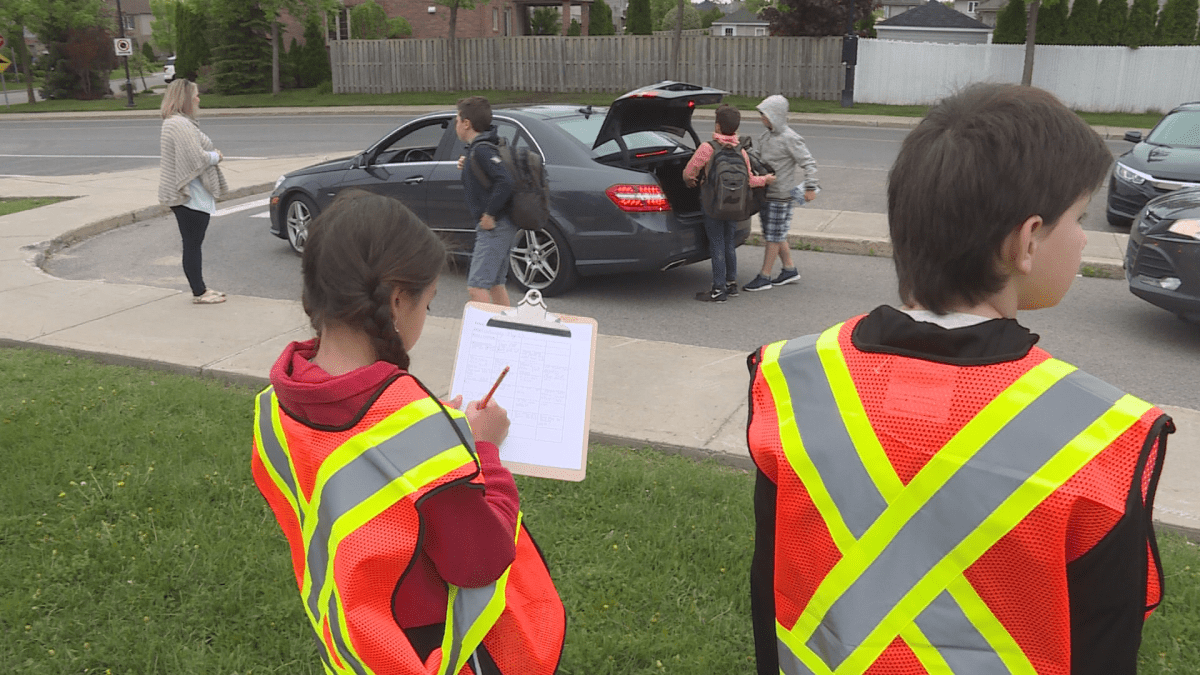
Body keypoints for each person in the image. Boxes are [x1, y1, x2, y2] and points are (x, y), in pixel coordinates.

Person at [746, 83, 1174, 675]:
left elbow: (771, 594)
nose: (1082, 237)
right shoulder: (1106, 439)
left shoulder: (791, 382)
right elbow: (1106, 644)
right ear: (1026, 242)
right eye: (1078, 217)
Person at [251, 189, 565, 674]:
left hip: (351, 635)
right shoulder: (413, 425)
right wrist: (481, 448)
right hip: (421, 650)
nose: (426, 316)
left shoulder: (277, 405)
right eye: (429, 303)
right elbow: (482, 559)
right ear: (397, 301)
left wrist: (421, 424)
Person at [683, 104, 775, 303]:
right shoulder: (741, 150)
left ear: (717, 126)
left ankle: (718, 289)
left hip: (712, 205)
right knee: (729, 244)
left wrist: (691, 181)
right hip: (735, 205)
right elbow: (750, 180)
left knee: (716, 244)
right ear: (737, 128)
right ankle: (731, 284)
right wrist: (765, 180)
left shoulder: (707, 148)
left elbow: (689, 172)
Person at [157, 78, 227, 305]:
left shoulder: (178, 122)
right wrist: (217, 156)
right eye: (195, 95)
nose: (198, 98)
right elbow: (195, 158)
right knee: (192, 244)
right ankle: (199, 292)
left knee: (193, 243)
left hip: (192, 195)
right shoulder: (179, 124)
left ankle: (201, 289)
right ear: (185, 98)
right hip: (189, 195)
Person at [742, 94, 820, 292]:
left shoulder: (791, 138)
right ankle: (789, 269)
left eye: (765, 115)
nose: (762, 119)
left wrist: (810, 187)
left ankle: (765, 276)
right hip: (767, 192)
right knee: (775, 233)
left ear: (775, 115)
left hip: (782, 196)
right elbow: (760, 159)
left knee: (773, 237)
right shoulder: (766, 136)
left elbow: (809, 163)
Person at [456, 96, 517, 307]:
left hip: (494, 226)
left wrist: (490, 214)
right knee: (495, 284)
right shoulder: (481, 148)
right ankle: (507, 329)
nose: (456, 125)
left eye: (457, 120)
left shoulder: (481, 150)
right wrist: (469, 164)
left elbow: (505, 181)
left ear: (466, 123)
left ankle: (487, 335)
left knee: (477, 287)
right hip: (503, 225)